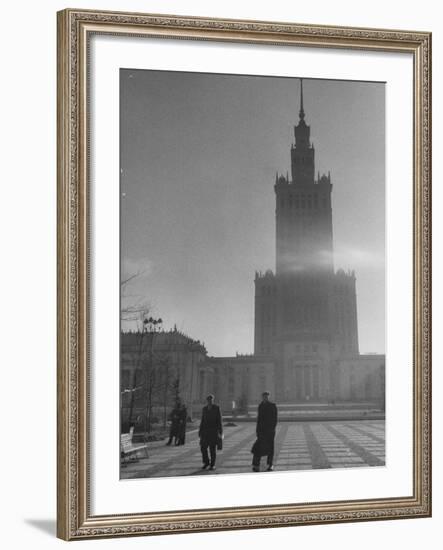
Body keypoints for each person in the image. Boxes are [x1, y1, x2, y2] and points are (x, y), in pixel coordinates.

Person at [251, 391, 278, 472]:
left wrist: (272, 429)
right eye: (264, 397)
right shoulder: (260, 406)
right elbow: (258, 419)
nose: (265, 398)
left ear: (268, 397)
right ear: (262, 397)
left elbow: (275, 419)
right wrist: (257, 430)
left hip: (269, 431)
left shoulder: (272, 406)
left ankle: (270, 464)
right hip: (261, 431)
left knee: (270, 448)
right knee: (257, 447)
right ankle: (256, 464)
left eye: (266, 397)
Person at [199, 394, 223, 471]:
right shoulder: (204, 409)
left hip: (213, 432)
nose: (210, 401)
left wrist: (220, 432)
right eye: (208, 400)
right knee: (203, 448)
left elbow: (219, 421)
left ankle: (212, 465)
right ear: (207, 401)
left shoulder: (216, 408)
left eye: (211, 400)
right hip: (205, 432)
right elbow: (202, 420)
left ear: (213, 400)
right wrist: (200, 431)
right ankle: (206, 462)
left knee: (212, 449)